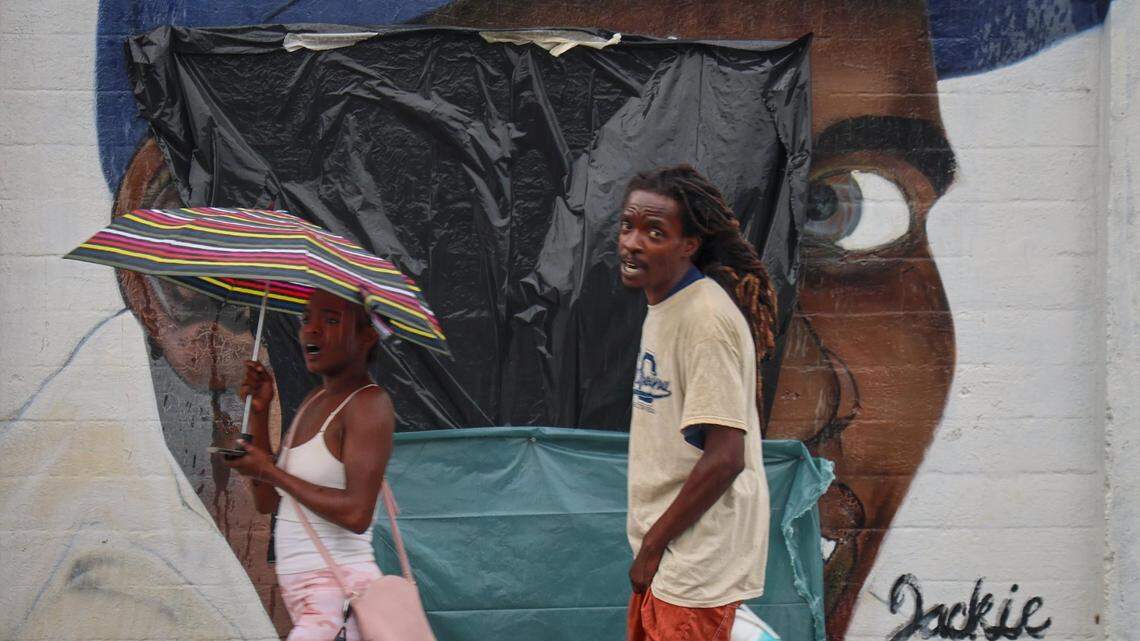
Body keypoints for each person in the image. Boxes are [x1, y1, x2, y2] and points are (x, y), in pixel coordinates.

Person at [619, 165, 776, 641]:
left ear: (688, 244)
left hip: (696, 561)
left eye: (654, 232)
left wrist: (653, 546)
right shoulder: (667, 306)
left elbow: (726, 456)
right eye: (627, 226)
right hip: (672, 554)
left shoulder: (705, 319)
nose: (632, 242)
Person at [222, 289, 394, 641]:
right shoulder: (315, 400)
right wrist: (260, 412)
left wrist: (270, 470)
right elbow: (268, 501)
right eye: (306, 319)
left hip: (343, 601)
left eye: (331, 321)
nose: (311, 330)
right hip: (312, 602)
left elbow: (357, 514)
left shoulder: (369, 404)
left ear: (367, 336)